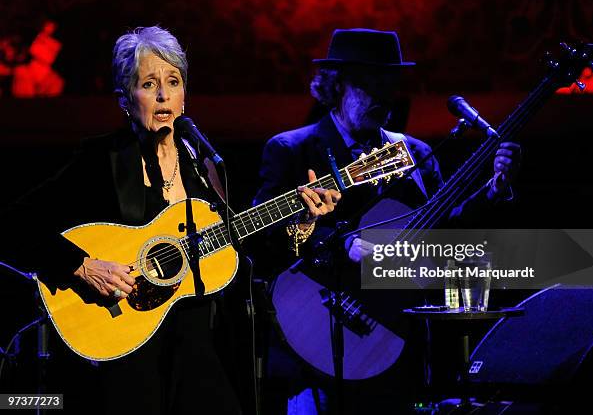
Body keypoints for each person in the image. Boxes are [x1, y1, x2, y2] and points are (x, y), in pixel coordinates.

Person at [2, 26, 339, 414]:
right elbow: (13, 223)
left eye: (173, 82)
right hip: (126, 344)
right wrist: (81, 266)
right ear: (126, 100)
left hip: (200, 348)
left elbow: (242, 256)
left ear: (184, 96)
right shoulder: (100, 161)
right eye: (149, 83)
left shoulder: (205, 166)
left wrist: (297, 225)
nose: (163, 95)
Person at [252, 28, 521, 414]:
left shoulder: (414, 152)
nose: (381, 95)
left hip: (394, 339)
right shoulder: (292, 149)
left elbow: (443, 233)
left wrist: (493, 191)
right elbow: (263, 237)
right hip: (317, 338)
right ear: (337, 86)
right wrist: (341, 243)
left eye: (388, 83)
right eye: (368, 83)